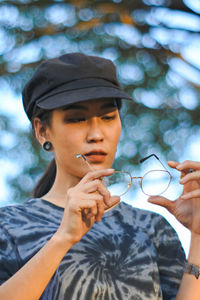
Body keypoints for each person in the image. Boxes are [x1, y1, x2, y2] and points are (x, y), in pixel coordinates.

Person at [0, 53, 199, 300]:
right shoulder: (8, 227)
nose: (96, 134)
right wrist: (62, 239)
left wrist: (198, 237)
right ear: (42, 131)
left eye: (107, 117)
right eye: (77, 119)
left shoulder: (151, 228)